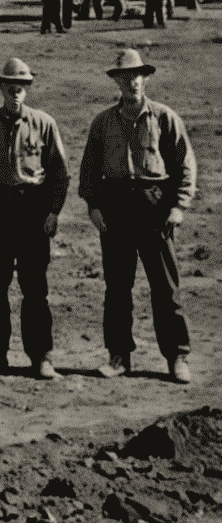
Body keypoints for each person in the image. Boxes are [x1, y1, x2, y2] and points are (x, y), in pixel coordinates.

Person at [79, 49, 196, 384]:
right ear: (116, 81)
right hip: (115, 207)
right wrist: (94, 206)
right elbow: (89, 168)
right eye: (124, 76)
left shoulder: (164, 117)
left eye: (137, 75)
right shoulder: (103, 122)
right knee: (117, 287)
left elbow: (185, 164)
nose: (131, 81)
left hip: (154, 206)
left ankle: (177, 356)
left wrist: (178, 206)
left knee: (165, 286)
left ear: (145, 78)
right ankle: (118, 356)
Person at [0, 57, 69, 379]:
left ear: (28, 89)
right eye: (10, 88)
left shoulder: (44, 123)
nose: (15, 93)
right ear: (1, 88)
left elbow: (60, 173)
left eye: (20, 88)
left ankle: (41, 357)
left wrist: (53, 212)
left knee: (35, 289)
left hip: (32, 212)